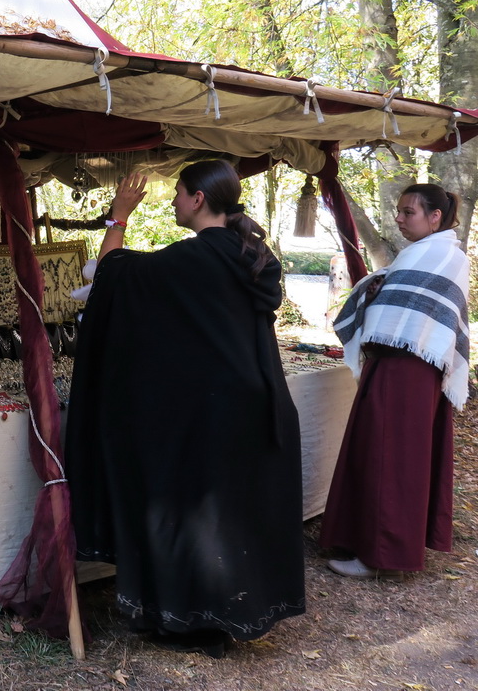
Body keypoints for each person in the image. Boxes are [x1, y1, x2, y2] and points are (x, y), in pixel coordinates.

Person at [65, 159, 305, 658]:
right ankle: (229, 614)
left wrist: (119, 216)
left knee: (196, 515)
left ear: (198, 199)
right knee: (229, 516)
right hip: (255, 400)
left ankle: (193, 623)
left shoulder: (191, 258)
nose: (174, 202)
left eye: (178, 193)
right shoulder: (252, 253)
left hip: (207, 411)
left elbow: (110, 274)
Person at [320, 183, 470, 579]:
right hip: (392, 365)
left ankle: (383, 555)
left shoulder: (445, 255)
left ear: (434, 217)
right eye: (399, 211)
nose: (399, 219)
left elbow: (421, 314)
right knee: (376, 450)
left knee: (392, 458)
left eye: (409, 212)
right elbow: (394, 301)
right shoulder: (420, 252)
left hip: (410, 370)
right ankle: (361, 539)